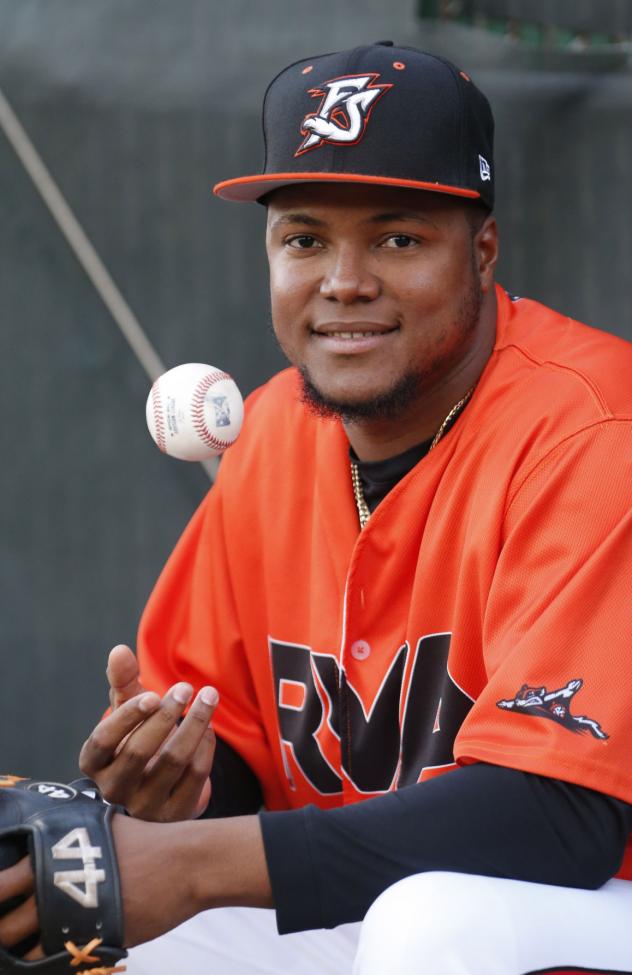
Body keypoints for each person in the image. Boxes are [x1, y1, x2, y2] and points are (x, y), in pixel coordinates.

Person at [2, 41, 632, 975]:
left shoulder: (594, 429)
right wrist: (175, 792)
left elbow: (561, 816)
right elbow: (237, 763)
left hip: (587, 903)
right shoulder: (270, 433)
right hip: (366, 903)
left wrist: (191, 860)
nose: (344, 282)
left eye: (397, 236)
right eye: (305, 239)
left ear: (483, 248)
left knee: (430, 927)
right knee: (91, 931)